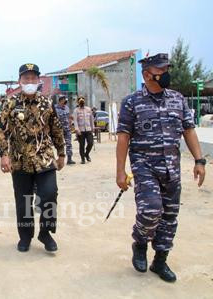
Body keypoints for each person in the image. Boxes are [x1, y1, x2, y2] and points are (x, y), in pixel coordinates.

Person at [116, 53, 206, 283]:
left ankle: (160, 260)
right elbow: (124, 138)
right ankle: (140, 242)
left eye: (167, 69)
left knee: (169, 217)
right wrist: (120, 172)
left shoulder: (178, 99)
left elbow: (189, 130)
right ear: (147, 74)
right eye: (161, 70)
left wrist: (199, 160)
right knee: (150, 210)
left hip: (172, 169)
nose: (166, 74)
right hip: (145, 167)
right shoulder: (132, 102)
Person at [0, 63, 66, 253]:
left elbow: (56, 129)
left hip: (44, 158)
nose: (30, 82)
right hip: (20, 160)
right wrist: (3, 155)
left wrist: (61, 153)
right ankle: (25, 237)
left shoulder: (47, 103)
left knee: (49, 194)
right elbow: (0, 131)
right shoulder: (9, 104)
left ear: (39, 80)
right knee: (24, 201)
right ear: (20, 81)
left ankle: (45, 232)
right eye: (26, 78)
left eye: (33, 78)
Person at [73, 96, 94, 164]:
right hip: (80, 131)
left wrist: (92, 127)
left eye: (83, 99)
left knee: (90, 143)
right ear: (78, 101)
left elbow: (91, 119)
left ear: (84, 101)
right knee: (82, 145)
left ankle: (86, 154)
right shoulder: (76, 110)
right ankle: (83, 159)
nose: (81, 100)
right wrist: (77, 129)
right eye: (80, 99)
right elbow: (75, 120)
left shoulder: (88, 109)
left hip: (88, 129)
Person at [55, 96, 75, 165]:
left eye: (66, 101)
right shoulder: (55, 108)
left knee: (69, 144)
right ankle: (60, 159)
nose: (65, 102)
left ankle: (69, 159)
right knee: (60, 144)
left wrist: (71, 122)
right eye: (64, 100)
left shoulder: (66, 107)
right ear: (60, 100)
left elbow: (69, 116)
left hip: (67, 129)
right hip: (59, 129)